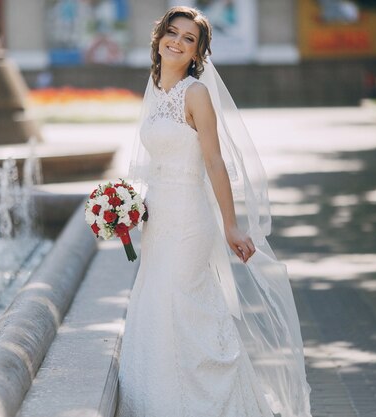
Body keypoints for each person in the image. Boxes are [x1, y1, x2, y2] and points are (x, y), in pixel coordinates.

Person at [118, 6, 312, 417]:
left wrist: (231, 226)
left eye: (189, 38)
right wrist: (130, 207)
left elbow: (214, 163)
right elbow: (155, 162)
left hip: (190, 220)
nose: (177, 41)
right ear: (159, 38)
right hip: (159, 221)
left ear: (197, 53)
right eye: (172, 33)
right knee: (155, 306)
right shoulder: (155, 88)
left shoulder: (196, 93)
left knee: (183, 307)